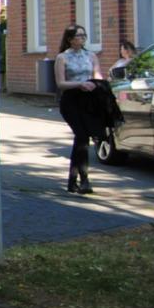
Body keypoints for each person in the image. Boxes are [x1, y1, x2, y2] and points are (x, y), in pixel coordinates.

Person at [53, 24, 103, 194]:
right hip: (70, 101)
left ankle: (73, 181)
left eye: (84, 35)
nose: (82, 38)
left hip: (88, 101)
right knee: (82, 136)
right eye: (78, 36)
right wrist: (79, 84)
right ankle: (85, 180)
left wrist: (98, 84)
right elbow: (61, 83)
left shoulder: (91, 55)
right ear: (70, 39)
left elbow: (97, 76)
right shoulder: (62, 57)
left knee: (82, 140)